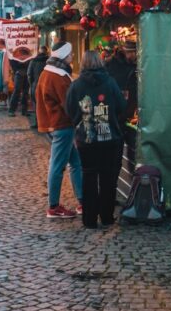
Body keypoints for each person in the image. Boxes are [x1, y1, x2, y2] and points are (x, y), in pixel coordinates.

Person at [65, 50, 126, 230]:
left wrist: (80, 120)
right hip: (110, 139)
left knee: (89, 176)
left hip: (87, 139)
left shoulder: (76, 85)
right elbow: (121, 105)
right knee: (108, 178)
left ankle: (89, 219)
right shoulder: (110, 82)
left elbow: (69, 109)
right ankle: (107, 216)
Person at [35, 42, 83, 219]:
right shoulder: (58, 76)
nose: (72, 57)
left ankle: (82, 201)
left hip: (60, 124)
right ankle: (53, 207)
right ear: (64, 56)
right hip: (63, 125)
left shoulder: (48, 73)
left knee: (76, 163)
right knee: (57, 166)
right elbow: (68, 103)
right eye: (70, 54)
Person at [27, 45, 49, 110]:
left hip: (35, 85)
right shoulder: (49, 61)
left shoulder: (33, 61)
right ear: (46, 52)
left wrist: (31, 84)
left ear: (39, 51)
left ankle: (37, 119)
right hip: (46, 86)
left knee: (37, 106)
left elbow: (29, 74)